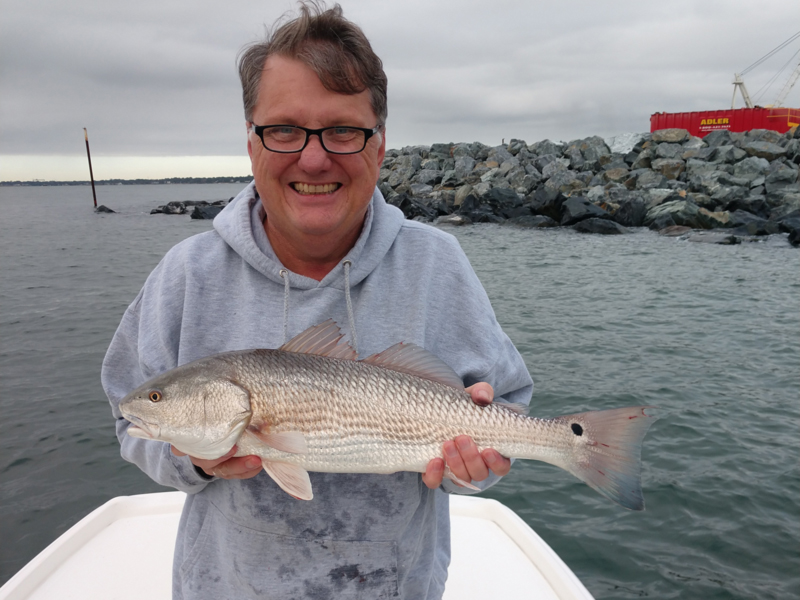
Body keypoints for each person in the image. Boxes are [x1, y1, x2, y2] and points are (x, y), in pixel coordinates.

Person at [102, 3, 533, 598]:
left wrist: (475, 468)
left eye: (343, 130)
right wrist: (194, 458)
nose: (312, 157)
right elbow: (128, 421)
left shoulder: (437, 264)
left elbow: (504, 404)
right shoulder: (186, 275)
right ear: (251, 143)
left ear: (379, 145)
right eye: (283, 129)